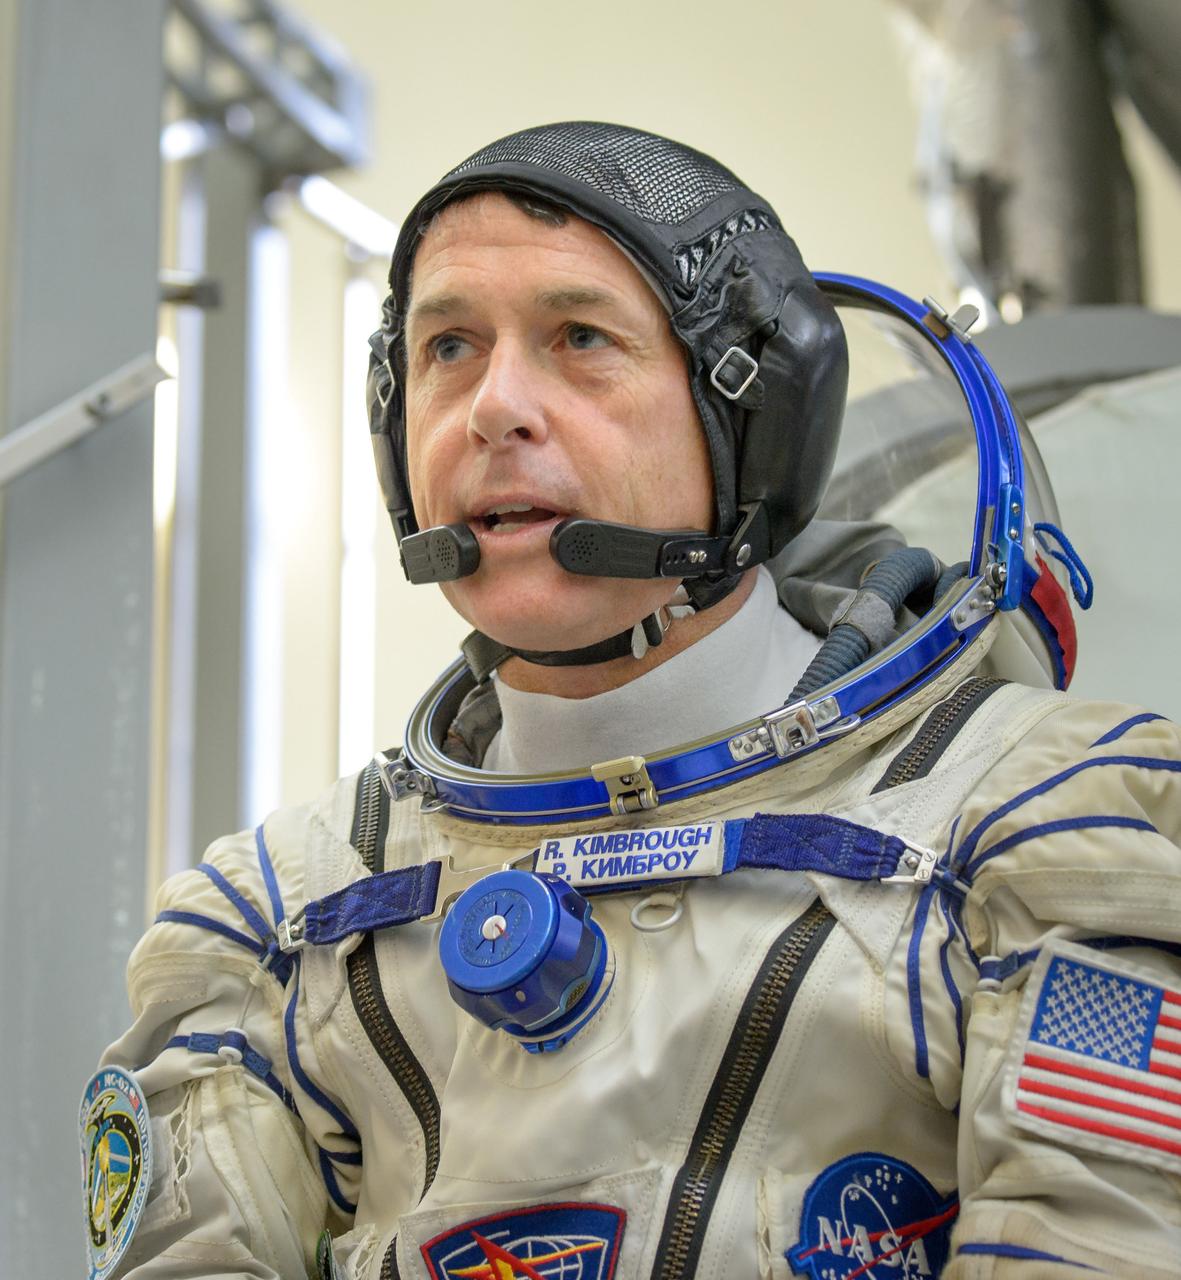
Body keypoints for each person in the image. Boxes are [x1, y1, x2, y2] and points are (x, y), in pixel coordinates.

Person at [83, 122, 1181, 1280]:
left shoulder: (1047, 828)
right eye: (449, 345)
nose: (494, 406)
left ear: (754, 418)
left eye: (580, 338)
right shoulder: (277, 924)